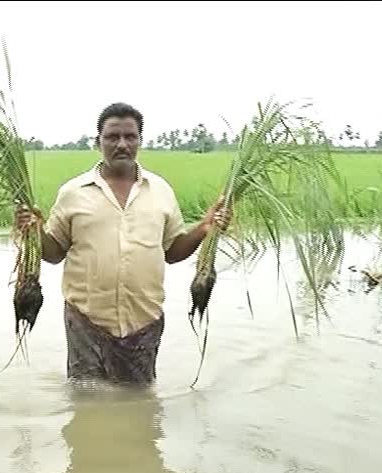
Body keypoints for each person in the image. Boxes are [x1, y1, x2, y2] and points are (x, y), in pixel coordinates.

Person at [15, 102, 231, 384]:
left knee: (140, 404)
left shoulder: (161, 191)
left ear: (140, 141)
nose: (121, 144)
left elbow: (173, 252)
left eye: (130, 137)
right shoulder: (73, 193)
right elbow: (55, 253)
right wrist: (34, 232)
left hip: (144, 323)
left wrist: (205, 227)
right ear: (98, 142)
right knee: (86, 404)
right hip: (86, 322)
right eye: (112, 137)